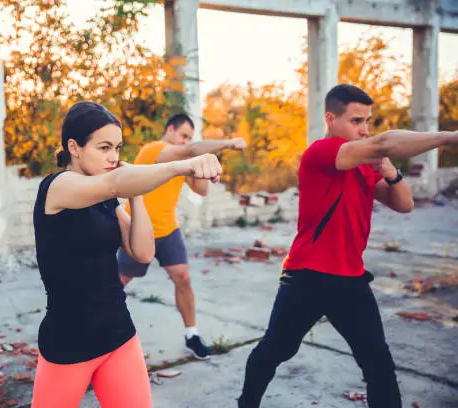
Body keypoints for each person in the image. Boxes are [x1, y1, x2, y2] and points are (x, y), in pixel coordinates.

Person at [237, 84, 458, 408]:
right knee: (276, 350)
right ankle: (247, 403)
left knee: (378, 364)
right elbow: (382, 142)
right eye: (356, 120)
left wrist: (390, 172)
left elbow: (405, 204)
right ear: (331, 119)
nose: (364, 129)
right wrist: (448, 137)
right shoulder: (321, 152)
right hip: (307, 276)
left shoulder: (365, 165)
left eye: (367, 120)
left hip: (351, 280)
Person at [31, 101, 223, 408]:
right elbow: (114, 182)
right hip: (69, 341)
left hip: (118, 335)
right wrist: (185, 165)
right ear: (74, 147)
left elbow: (144, 252)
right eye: (104, 147)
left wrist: (136, 192)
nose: (114, 157)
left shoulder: (108, 199)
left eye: (118, 148)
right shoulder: (58, 187)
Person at [117, 113, 247, 360]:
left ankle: (192, 334)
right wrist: (228, 143)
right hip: (136, 228)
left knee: (183, 277)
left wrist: (204, 168)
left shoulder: (183, 162)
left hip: (167, 229)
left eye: (188, 137)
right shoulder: (155, 150)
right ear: (169, 130)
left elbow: (202, 190)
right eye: (183, 135)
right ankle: (95, 337)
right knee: (116, 285)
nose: (185, 141)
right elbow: (192, 150)